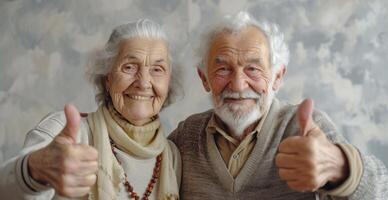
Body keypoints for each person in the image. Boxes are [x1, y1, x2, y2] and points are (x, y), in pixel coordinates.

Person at [168, 11, 388, 199]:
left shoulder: (304, 129)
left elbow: (382, 190)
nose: (237, 84)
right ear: (204, 78)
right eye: (223, 69)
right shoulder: (187, 136)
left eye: (253, 69)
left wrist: (341, 167)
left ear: (277, 77)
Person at [0, 19, 181, 200]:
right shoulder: (64, 132)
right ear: (107, 78)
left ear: (168, 82)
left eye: (157, 69)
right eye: (129, 67)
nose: (143, 83)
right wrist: (35, 169)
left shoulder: (172, 156)